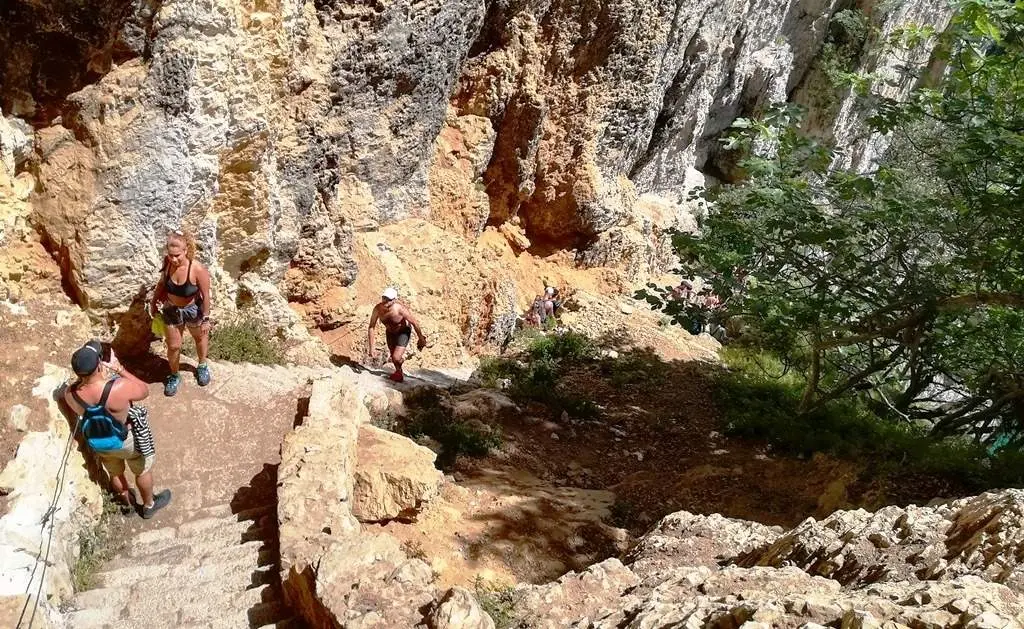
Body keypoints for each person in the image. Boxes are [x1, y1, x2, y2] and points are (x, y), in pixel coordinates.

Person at [64, 340, 171, 519]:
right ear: (99, 366)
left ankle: (128, 505)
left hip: (100, 442)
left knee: (115, 472)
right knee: (142, 470)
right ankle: (148, 505)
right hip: (126, 440)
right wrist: (119, 368)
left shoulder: (70, 394)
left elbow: (84, 392)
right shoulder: (118, 387)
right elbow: (144, 390)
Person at [150, 229, 213, 397]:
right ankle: (174, 375)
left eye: (177, 255)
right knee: (174, 346)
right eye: (171, 255)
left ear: (186, 250)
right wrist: (154, 302)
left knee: (199, 337)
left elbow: (206, 295)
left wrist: (206, 318)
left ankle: (202, 366)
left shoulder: (197, 269)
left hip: (193, 310)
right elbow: (162, 284)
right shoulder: (168, 263)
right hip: (171, 309)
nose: (174, 259)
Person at [367, 287, 427, 383]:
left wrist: (421, 338)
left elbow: (414, 323)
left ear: (394, 300)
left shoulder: (399, 309)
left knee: (396, 357)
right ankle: (399, 372)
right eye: (384, 298)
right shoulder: (378, 309)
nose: (385, 301)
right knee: (394, 358)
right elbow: (371, 327)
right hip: (390, 332)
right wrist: (371, 347)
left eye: (389, 299)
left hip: (403, 332)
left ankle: (399, 365)